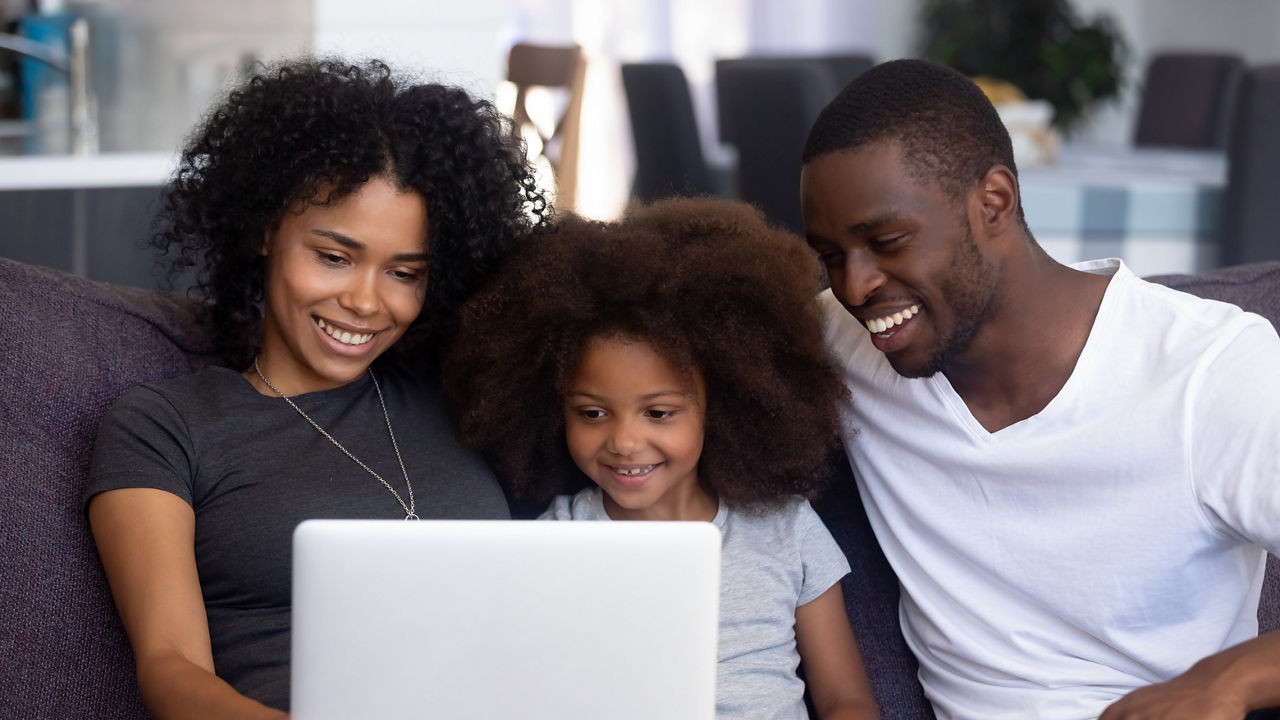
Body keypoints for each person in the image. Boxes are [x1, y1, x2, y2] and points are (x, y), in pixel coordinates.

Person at [800, 58, 1280, 720]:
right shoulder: (843, 346)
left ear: (993, 201)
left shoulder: (1208, 371)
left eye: (886, 241)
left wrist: (1231, 680)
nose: (853, 288)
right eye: (830, 257)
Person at [85, 57, 549, 719]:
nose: (365, 301)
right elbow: (171, 670)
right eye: (335, 257)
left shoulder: (462, 396)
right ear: (268, 230)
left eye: (404, 272)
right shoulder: (166, 427)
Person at [443, 196, 882, 720]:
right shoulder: (551, 543)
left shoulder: (785, 528)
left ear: (720, 404)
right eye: (592, 413)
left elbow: (846, 699)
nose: (625, 442)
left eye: (658, 413)